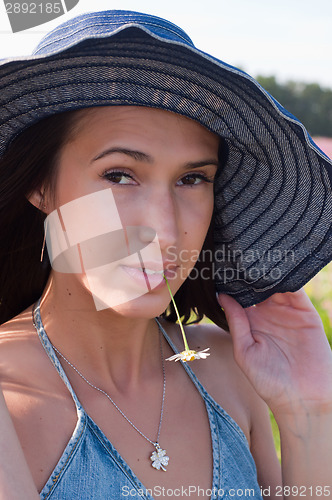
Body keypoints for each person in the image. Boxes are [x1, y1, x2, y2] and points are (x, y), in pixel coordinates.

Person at [0, 9, 331, 500]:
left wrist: (310, 413)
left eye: (192, 179)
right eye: (119, 175)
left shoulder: (229, 368)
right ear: (39, 185)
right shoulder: (10, 397)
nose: (164, 226)